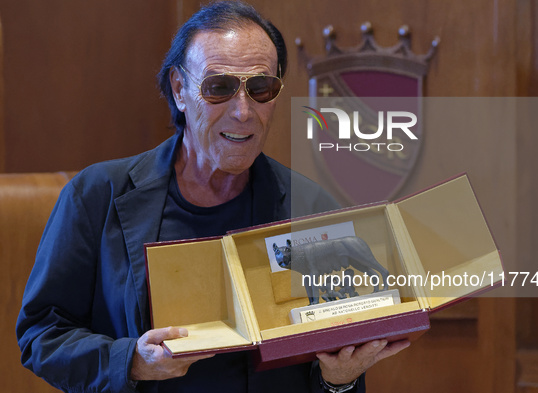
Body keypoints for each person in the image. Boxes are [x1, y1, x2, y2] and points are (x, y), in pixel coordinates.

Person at [16, 1, 409, 392]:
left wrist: (339, 380)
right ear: (179, 90)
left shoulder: (314, 209)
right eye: (218, 88)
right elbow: (42, 334)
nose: (243, 112)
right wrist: (132, 361)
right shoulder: (96, 196)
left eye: (260, 88)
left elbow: (335, 356)